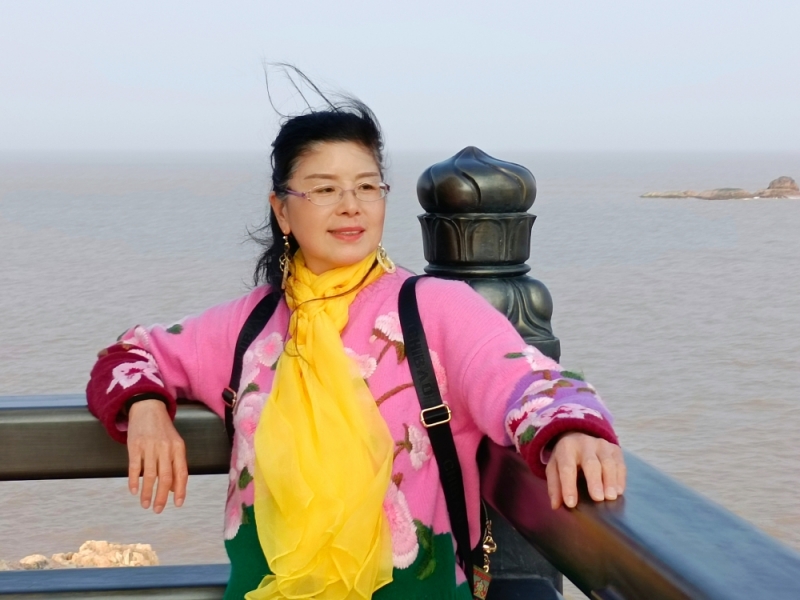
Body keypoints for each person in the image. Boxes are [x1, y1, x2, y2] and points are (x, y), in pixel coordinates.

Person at [87, 97, 625, 600]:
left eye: (367, 187)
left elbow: (529, 379)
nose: (351, 206)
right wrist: (147, 407)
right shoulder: (251, 324)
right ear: (282, 210)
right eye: (324, 190)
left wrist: (572, 431)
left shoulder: (433, 309)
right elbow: (133, 352)